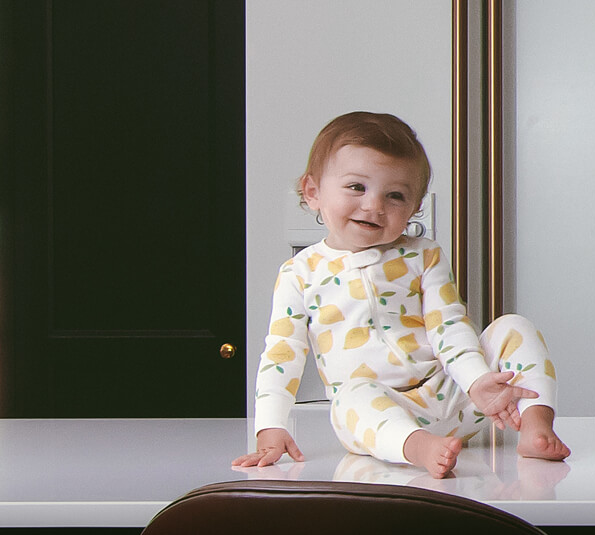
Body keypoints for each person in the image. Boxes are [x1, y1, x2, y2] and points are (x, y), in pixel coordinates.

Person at [233, 112, 569, 478]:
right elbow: (282, 354)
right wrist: (270, 426)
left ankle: (536, 425)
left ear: (414, 208)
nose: (374, 205)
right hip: (381, 413)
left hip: (458, 396)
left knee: (513, 327)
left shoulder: (424, 255)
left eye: (395, 195)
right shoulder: (300, 273)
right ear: (312, 192)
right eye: (356, 187)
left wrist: (476, 382)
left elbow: (450, 326)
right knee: (350, 395)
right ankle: (418, 447)